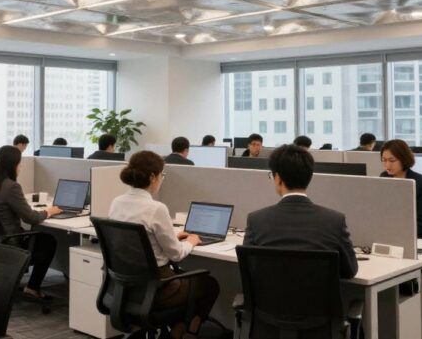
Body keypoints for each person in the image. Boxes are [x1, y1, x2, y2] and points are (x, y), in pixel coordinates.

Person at [109, 151, 219, 338]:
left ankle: (177, 330)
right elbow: (176, 254)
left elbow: (138, 239)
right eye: (162, 175)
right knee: (209, 284)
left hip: (126, 287)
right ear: (153, 177)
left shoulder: (117, 202)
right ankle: (186, 333)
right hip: (158, 289)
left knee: (191, 283)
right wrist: (191, 242)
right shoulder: (156, 208)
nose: (161, 179)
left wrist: (172, 235)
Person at [245, 145, 358, 279]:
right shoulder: (334, 221)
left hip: (269, 299)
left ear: (278, 178)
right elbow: (349, 271)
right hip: (319, 300)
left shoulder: (256, 220)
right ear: (309, 177)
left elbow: (248, 269)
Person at [0, 145, 61, 299]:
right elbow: (31, 218)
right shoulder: (11, 187)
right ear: (12, 165)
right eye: (19, 163)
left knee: (43, 238)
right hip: (11, 243)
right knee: (49, 240)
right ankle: (32, 287)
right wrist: (49, 211)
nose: (21, 166)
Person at [379, 139, 422, 240]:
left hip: (413, 237)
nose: (387, 165)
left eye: (392, 160)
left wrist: (398, 235)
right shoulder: (383, 177)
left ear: (403, 159)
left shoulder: (421, 182)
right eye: (384, 160)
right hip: (387, 235)